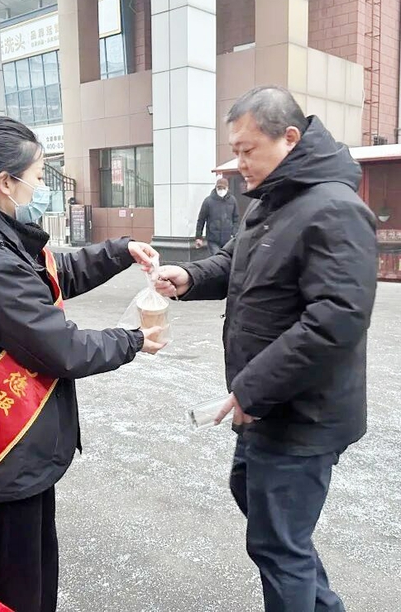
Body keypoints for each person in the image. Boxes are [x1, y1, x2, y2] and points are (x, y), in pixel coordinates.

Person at [0, 116, 164, 612]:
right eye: (40, 176)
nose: (44, 187)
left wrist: (120, 251)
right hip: (7, 455)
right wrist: (132, 340)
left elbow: (55, 272)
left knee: (35, 585)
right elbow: (60, 347)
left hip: (22, 452)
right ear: (6, 182)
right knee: (15, 593)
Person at [156, 86, 377, 612]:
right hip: (264, 403)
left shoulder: (334, 209)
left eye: (248, 150)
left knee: (278, 543)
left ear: (289, 138)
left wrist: (252, 389)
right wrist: (188, 276)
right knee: (263, 514)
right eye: (235, 150)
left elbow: (335, 320)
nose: (239, 163)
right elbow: (233, 261)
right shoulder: (271, 200)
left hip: (302, 412)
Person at [195, 177, 239, 255]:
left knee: (226, 258)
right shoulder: (208, 201)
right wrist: (198, 237)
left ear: (227, 188)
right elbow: (201, 220)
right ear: (216, 188)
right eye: (219, 188)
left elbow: (236, 218)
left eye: (223, 188)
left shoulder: (232, 201)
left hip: (228, 238)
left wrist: (234, 233)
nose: (221, 190)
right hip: (213, 238)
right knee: (216, 257)